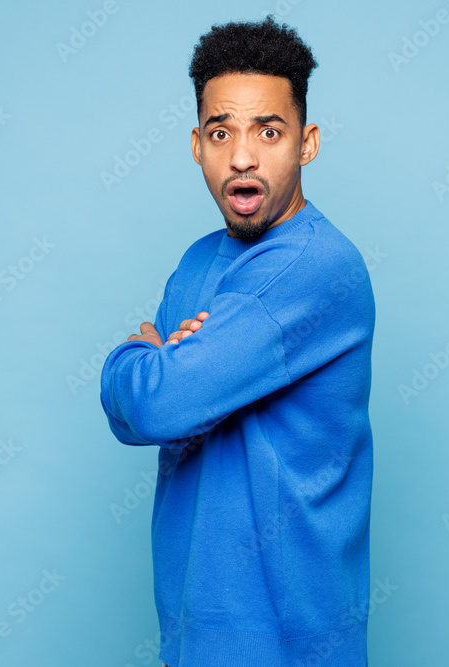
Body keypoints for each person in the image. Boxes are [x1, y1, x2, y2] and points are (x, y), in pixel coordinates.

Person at [100, 15, 375, 667]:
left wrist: (142, 359)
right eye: (222, 132)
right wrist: (163, 376)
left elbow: (159, 404)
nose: (243, 157)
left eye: (269, 131)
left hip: (287, 643)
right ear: (197, 145)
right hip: (193, 633)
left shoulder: (313, 266)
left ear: (307, 143)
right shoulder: (197, 262)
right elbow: (139, 415)